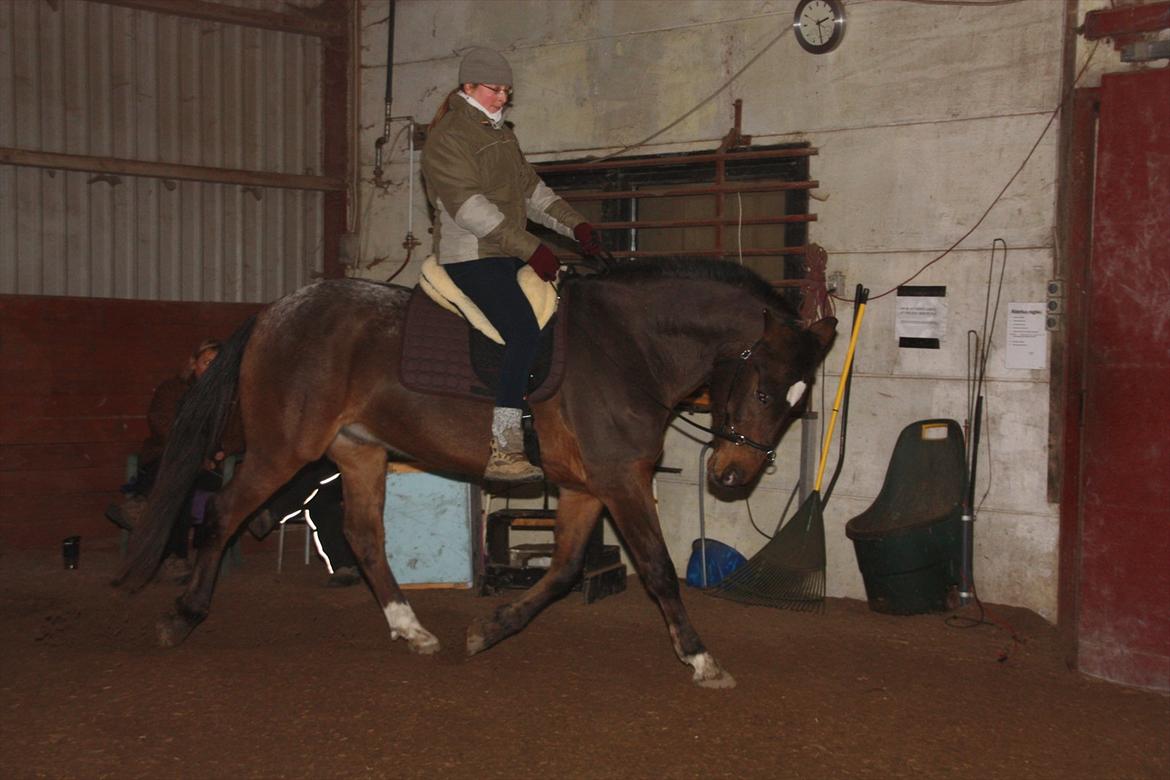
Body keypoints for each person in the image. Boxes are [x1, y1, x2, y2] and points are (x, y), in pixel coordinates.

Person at [420, 46, 602, 483]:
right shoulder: (449, 137)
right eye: (494, 89)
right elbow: (470, 209)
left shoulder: (502, 135)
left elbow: (532, 193)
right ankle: (504, 448)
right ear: (468, 87)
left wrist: (576, 227)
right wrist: (531, 248)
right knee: (521, 330)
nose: (502, 98)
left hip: (505, 251)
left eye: (506, 91)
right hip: (472, 256)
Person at [107, 339, 237, 582]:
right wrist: (194, 454)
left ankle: (142, 503)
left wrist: (222, 451)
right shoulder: (172, 390)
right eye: (207, 362)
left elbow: (237, 433)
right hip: (169, 458)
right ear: (193, 363)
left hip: (207, 469)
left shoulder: (227, 398)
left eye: (217, 364)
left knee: (181, 477)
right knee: (181, 477)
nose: (212, 369)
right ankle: (174, 557)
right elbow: (162, 423)